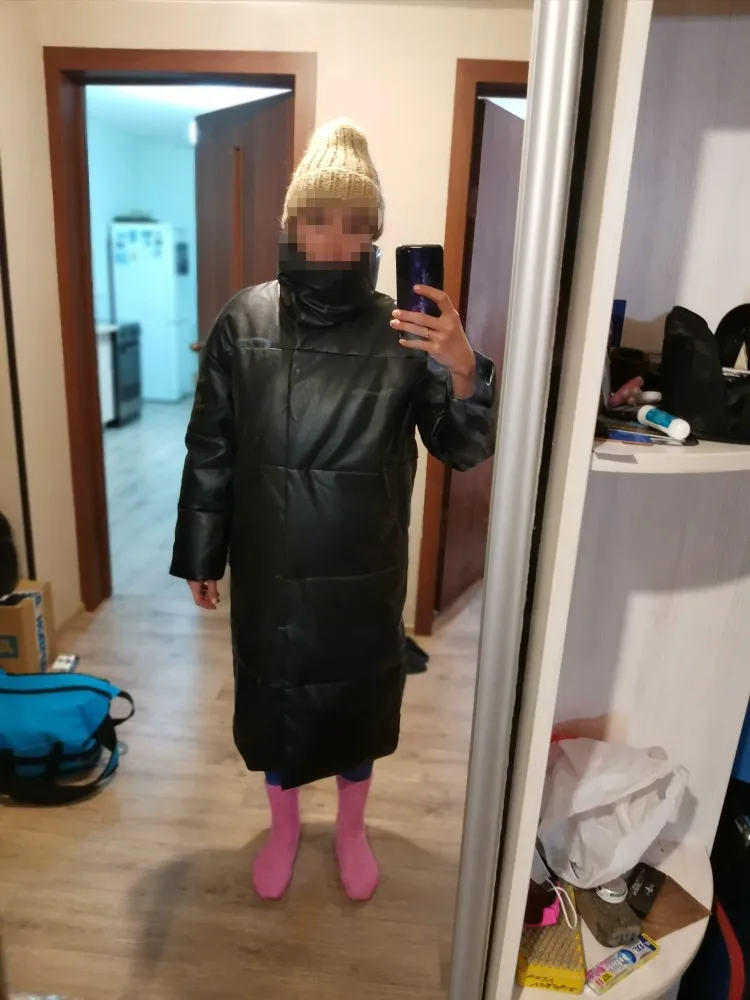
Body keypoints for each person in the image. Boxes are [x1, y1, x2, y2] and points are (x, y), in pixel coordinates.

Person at [171, 119, 496, 902]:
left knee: (356, 708)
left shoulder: (404, 331)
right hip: (271, 571)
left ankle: (351, 830)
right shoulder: (243, 320)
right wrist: (201, 553)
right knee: (276, 704)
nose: (335, 238)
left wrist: (462, 368)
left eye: (355, 223)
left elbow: (460, 446)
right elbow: (212, 446)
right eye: (319, 217)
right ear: (293, 223)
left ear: (374, 233)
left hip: (364, 572)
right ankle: (283, 830)